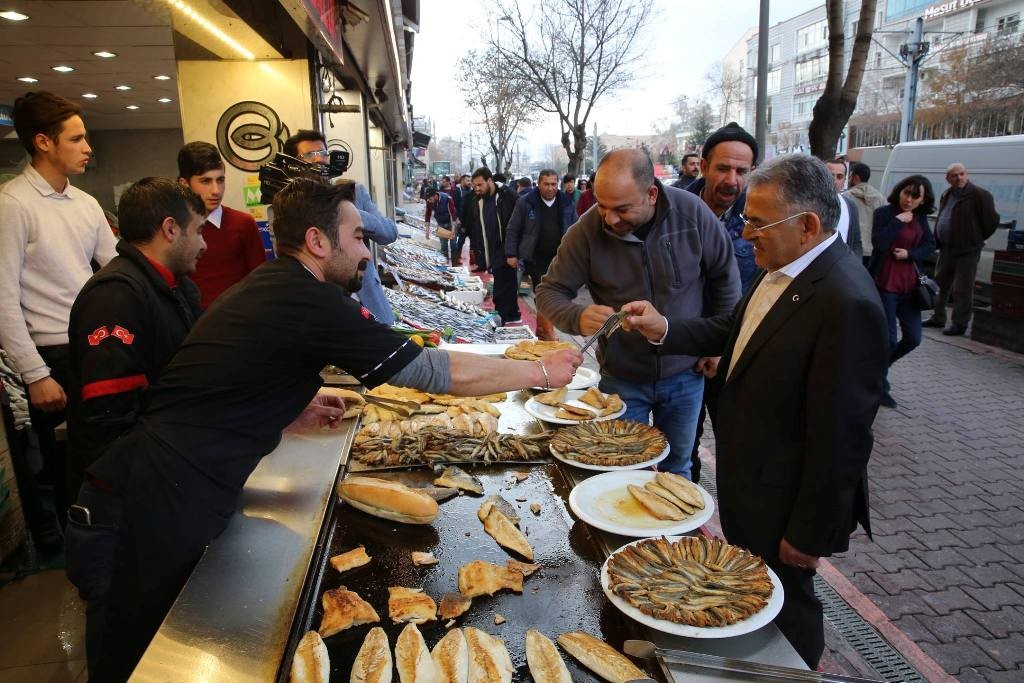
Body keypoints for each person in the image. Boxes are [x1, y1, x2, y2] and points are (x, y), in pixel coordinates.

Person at [65, 177, 582, 681]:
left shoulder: (278, 287)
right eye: (357, 237)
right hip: (143, 503)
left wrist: (288, 406)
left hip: (172, 490)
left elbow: (222, 382)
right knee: (134, 661)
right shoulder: (306, 297)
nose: (365, 252)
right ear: (317, 241)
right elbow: (425, 370)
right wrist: (537, 373)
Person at [619, 154, 888, 669]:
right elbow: (735, 332)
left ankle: (795, 673)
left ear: (807, 225)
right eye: (747, 219)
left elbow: (843, 438)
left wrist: (808, 533)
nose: (745, 235)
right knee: (752, 588)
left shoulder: (845, 301)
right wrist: (665, 327)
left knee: (789, 602)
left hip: (786, 499)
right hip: (751, 480)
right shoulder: (783, 267)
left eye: (759, 223)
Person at [65, 178, 206, 668]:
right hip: (124, 500)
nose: (205, 243)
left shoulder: (174, 289)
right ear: (170, 229)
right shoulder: (117, 296)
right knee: (122, 637)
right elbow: (113, 418)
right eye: (198, 229)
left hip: (159, 488)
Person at [536, 149, 741, 478]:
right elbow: (549, 292)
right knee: (618, 470)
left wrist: (717, 347)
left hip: (686, 374)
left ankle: (673, 532)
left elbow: (725, 280)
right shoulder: (586, 231)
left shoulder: (692, 214)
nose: (609, 219)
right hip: (622, 379)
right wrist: (577, 316)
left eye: (621, 209)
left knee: (679, 468)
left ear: (651, 194)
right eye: (602, 206)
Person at [0, 91, 117, 536]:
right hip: (52, 358)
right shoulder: (13, 204)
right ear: (44, 142)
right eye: (77, 138)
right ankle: (82, 562)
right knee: (71, 469)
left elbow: (119, 268)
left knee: (106, 456)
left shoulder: (85, 204)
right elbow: (3, 298)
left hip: (97, 348)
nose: (88, 148)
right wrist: (34, 374)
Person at [683, 122, 757, 483]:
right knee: (682, 449)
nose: (732, 180)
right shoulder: (672, 210)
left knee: (740, 448)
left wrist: (720, 348)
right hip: (682, 354)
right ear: (704, 165)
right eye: (724, 168)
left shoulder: (760, 218)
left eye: (742, 171)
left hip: (735, 354)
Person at [283, 130, 400, 324]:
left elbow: (389, 233)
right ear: (294, 163)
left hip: (372, 304)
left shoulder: (355, 193)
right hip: (327, 312)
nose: (320, 159)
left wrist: (345, 212)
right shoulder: (289, 207)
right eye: (310, 155)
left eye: (325, 153)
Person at [868, 175, 937, 409]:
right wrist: (898, 222)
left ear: (922, 200)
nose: (909, 200)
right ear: (899, 191)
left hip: (910, 287)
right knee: (887, 339)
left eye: (915, 196)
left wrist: (909, 255)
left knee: (913, 338)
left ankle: (876, 372)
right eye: (906, 193)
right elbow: (879, 243)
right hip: (885, 283)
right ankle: (878, 385)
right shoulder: (884, 214)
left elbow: (930, 246)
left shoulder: (920, 218)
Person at [176, 142, 265, 309]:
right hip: (190, 325)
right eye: (205, 181)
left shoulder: (243, 224)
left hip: (238, 321)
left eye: (220, 180)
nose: (216, 190)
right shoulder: (173, 228)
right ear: (184, 183)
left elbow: (260, 283)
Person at [923, 163, 1000, 336]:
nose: (959, 178)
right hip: (946, 248)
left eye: (962, 174)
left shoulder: (979, 195)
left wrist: (978, 238)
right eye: (954, 175)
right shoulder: (947, 194)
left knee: (962, 288)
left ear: (967, 174)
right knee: (940, 284)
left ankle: (959, 323)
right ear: (947, 179)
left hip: (967, 250)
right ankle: (938, 317)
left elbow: (991, 220)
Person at [504, 169, 579, 340]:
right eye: (546, 184)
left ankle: (543, 329)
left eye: (554, 184)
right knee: (543, 292)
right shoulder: (526, 202)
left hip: (560, 257)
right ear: (538, 184)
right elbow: (513, 228)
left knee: (557, 294)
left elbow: (576, 229)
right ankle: (548, 332)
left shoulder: (566, 203)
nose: (550, 188)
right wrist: (511, 253)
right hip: (535, 256)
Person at [461, 167, 523, 324]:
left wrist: (513, 251)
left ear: (490, 180)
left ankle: (504, 318)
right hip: (491, 249)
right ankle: (512, 315)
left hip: (506, 249)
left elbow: (518, 223)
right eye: (475, 185)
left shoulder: (507, 196)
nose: (477, 188)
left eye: (480, 184)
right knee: (503, 284)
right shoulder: (478, 199)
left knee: (503, 288)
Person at [845, 162, 886, 261]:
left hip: (852, 247)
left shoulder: (846, 197)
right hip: (873, 248)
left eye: (850, 176)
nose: (849, 179)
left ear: (855, 177)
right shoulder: (880, 198)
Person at [826, 159, 864, 260]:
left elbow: (856, 242)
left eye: (839, 176)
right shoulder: (807, 203)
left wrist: (855, 265)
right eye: (830, 175)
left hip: (842, 267)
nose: (834, 180)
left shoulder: (850, 205)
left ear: (844, 181)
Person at [423, 187, 459, 259]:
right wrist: (427, 231)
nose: (429, 201)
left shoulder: (447, 198)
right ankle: (445, 263)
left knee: (453, 245)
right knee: (443, 246)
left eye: (430, 199)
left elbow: (453, 214)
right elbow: (428, 214)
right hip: (441, 225)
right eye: (428, 200)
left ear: (435, 196)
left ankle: (455, 264)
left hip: (451, 223)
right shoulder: (429, 202)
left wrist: (453, 229)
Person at [452, 174, 475, 267]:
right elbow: (454, 206)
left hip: (472, 222)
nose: (469, 182)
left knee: (473, 242)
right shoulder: (457, 191)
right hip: (461, 221)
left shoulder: (471, 191)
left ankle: (474, 261)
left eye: (470, 180)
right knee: (460, 241)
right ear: (462, 181)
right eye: (467, 180)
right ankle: (456, 260)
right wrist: (457, 218)